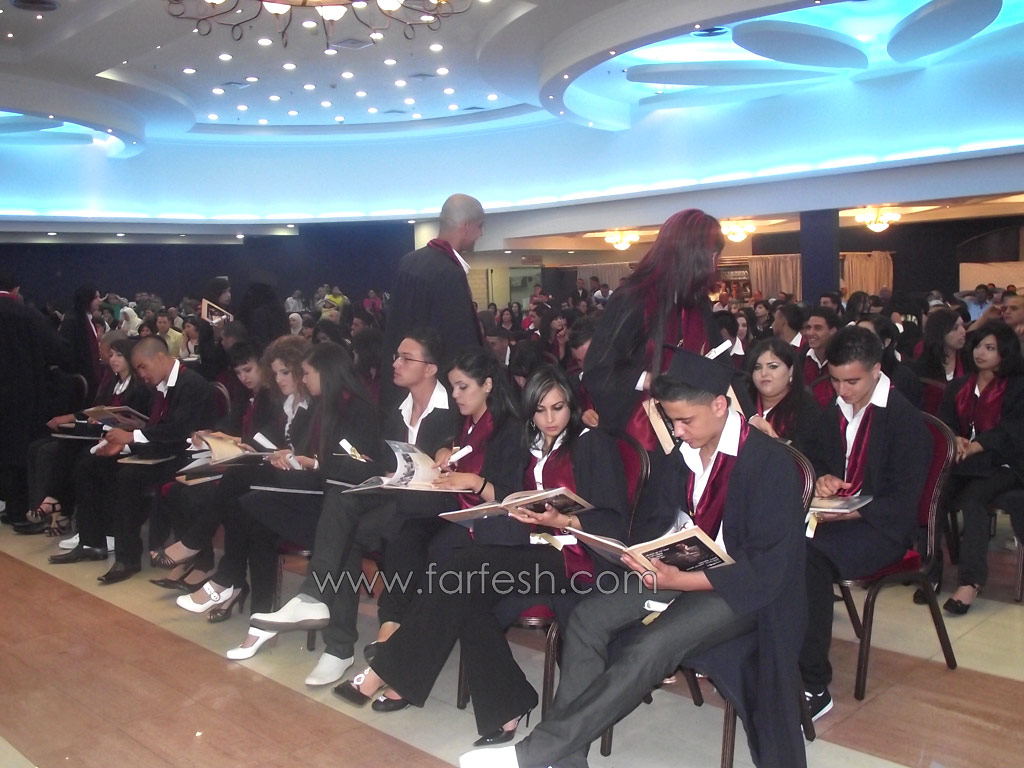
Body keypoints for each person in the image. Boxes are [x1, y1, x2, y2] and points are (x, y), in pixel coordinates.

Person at [458, 350, 808, 768]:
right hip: (678, 569)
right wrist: (642, 555)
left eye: (685, 421)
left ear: (720, 405)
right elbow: (655, 522)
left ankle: (535, 753)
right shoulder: (684, 454)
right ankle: (567, 761)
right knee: (587, 619)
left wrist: (679, 580)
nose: (677, 432)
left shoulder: (767, 462)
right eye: (672, 421)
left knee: (651, 644)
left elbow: (768, 568)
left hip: (740, 589)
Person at [335, 366, 628, 747]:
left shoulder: (592, 444)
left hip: (578, 558)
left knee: (460, 567)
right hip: (531, 546)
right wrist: (517, 507)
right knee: (463, 589)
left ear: (571, 405)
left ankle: (385, 671)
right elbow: (510, 494)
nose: (550, 419)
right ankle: (508, 706)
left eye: (558, 408)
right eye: (540, 410)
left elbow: (614, 522)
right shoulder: (531, 442)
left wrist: (564, 519)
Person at [246, 329, 460, 686]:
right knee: (341, 511)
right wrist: (378, 471)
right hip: (394, 498)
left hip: (431, 507)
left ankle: (332, 631)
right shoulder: (397, 409)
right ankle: (334, 640)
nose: (395, 363)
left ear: (430, 368)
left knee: (341, 521)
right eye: (396, 356)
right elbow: (380, 462)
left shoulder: (452, 410)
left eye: (406, 358)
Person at [799, 326, 929, 720]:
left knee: (806, 558)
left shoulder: (904, 420)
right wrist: (822, 478)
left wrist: (854, 510)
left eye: (852, 381)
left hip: (882, 529)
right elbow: (813, 455)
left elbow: (904, 501)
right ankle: (776, 652)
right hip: (839, 518)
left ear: (876, 370)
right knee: (775, 541)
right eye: (835, 380)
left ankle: (813, 683)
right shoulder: (835, 409)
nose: (842, 390)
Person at [49, 337, 216, 583]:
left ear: (160, 357)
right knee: (90, 464)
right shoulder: (160, 386)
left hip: (186, 456)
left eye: (142, 367)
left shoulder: (192, 384)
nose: (142, 374)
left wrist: (131, 437)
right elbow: (159, 428)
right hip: (162, 450)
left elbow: (179, 430)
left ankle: (127, 558)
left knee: (129, 477)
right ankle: (92, 542)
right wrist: (130, 437)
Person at [584, 208, 747, 452]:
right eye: (711, 255)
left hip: (691, 425)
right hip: (641, 429)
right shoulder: (632, 300)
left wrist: (751, 416)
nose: (715, 263)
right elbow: (598, 371)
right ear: (688, 254)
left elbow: (722, 364)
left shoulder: (697, 301)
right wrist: (651, 379)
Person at [16, 334, 151, 537]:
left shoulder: (139, 388)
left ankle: (60, 507)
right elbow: (96, 408)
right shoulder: (111, 383)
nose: (113, 359)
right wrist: (96, 417)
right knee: (62, 446)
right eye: (111, 355)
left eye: (119, 355)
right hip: (101, 432)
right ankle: (56, 504)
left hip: (120, 438)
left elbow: (138, 419)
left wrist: (112, 421)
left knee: (80, 460)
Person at [936, 321, 1024, 614]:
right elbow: (945, 420)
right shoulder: (960, 385)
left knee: (973, 500)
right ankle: (931, 570)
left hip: (1005, 463)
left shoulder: (1017, 387)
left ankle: (970, 582)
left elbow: (1014, 432)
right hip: (965, 461)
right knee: (934, 496)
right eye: (978, 346)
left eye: (990, 348)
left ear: (1005, 352)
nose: (980, 353)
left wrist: (978, 445)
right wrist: (955, 439)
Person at [383, 194, 486, 397]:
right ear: (466, 226)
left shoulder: (408, 262)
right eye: (480, 226)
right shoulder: (449, 273)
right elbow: (459, 344)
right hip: (436, 391)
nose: (481, 234)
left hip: (403, 384)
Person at [0, 273, 73, 524]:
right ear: (16, 289)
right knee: (20, 452)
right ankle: (19, 510)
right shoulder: (27, 314)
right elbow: (60, 350)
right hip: (23, 396)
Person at [746, 337, 823, 466]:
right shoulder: (743, 404)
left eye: (773, 366)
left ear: (791, 370)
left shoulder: (807, 410)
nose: (763, 373)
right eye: (757, 367)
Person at [59, 284, 103, 401]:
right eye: (96, 297)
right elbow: (68, 352)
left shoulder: (89, 319)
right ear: (87, 299)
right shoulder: (72, 321)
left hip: (92, 378)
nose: (100, 300)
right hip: (81, 381)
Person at [800, 307, 839, 408]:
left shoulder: (842, 361)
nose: (810, 333)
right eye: (808, 327)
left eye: (817, 328)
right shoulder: (800, 359)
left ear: (833, 331)